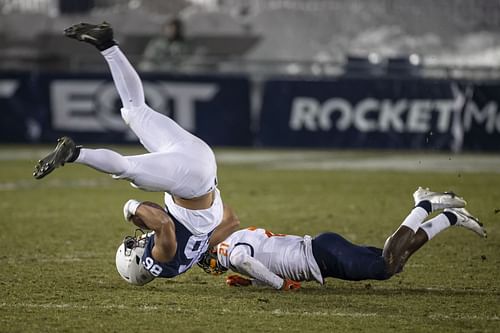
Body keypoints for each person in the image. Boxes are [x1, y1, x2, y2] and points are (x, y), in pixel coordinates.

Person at [32, 22, 239, 285]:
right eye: (133, 247)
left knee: (135, 111)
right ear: (140, 261)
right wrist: (131, 209)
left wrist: (206, 242)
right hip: (191, 176)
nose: (136, 241)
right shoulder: (164, 260)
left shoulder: (191, 251)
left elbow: (232, 219)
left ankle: (106, 45)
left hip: (201, 163)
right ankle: (74, 154)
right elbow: (163, 223)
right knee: (127, 170)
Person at [197, 187, 487, 291]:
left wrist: (278, 284)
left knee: (385, 266)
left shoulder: (227, 249)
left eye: (205, 256)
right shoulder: (237, 238)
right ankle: (451, 218)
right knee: (392, 262)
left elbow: (240, 258)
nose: (209, 263)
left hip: (322, 255)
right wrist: (251, 280)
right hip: (321, 253)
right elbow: (268, 258)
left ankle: (424, 204)